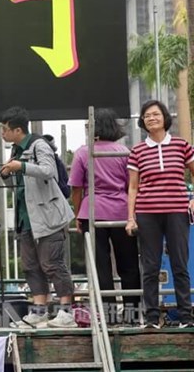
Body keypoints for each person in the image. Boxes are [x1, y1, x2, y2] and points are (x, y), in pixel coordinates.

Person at [0, 106, 76, 329]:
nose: (2, 134)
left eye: (5, 129)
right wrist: (7, 173)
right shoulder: (15, 150)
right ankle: (39, 311)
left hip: (48, 215)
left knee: (52, 263)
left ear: (17, 129)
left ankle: (66, 312)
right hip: (26, 217)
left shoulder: (39, 145)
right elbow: (19, 185)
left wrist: (20, 166)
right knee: (31, 265)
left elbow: (47, 170)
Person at [126, 100, 194, 329]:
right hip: (147, 214)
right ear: (142, 122)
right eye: (147, 116)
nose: (151, 118)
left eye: (155, 114)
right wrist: (130, 217)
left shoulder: (181, 145)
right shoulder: (137, 151)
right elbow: (133, 187)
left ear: (165, 117)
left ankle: (186, 315)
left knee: (180, 265)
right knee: (151, 266)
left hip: (177, 212)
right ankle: (153, 318)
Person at [68, 108, 140, 324]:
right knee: (128, 264)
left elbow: (76, 189)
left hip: (93, 212)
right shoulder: (125, 152)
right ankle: (133, 315)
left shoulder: (83, 152)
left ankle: (107, 316)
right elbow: (132, 187)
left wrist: (79, 215)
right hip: (121, 211)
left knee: (101, 267)